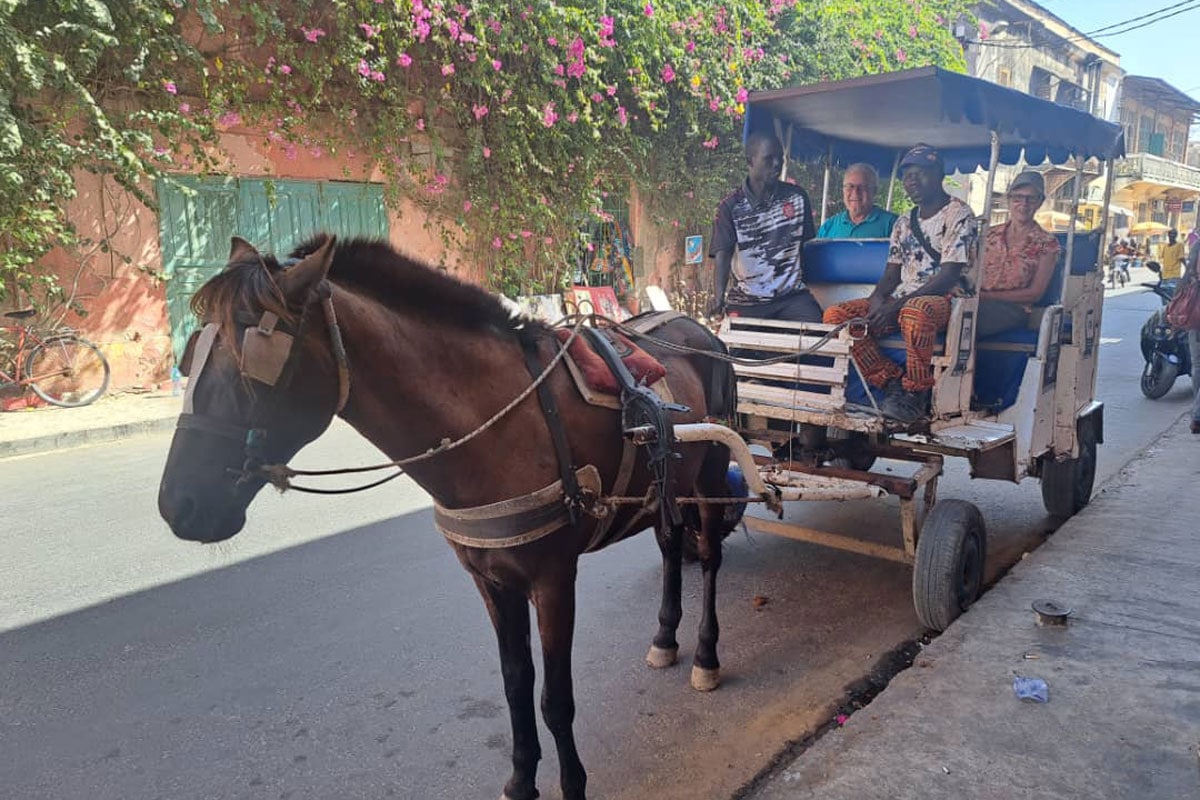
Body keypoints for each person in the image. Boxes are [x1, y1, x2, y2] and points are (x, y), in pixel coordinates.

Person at [823, 143, 977, 423]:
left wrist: (895, 307)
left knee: (914, 311)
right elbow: (892, 274)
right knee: (837, 317)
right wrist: (877, 302)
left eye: (920, 173)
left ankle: (916, 392)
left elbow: (948, 276)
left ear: (939, 174)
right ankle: (891, 382)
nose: (912, 181)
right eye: (907, 175)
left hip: (947, 300)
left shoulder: (959, 215)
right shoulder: (904, 222)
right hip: (903, 298)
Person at [708, 131, 823, 322]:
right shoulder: (730, 206)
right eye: (769, 159)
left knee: (817, 339)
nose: (777, 164)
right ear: (750, 161)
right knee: (736, 349)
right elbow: (723, 254)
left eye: (780, 158)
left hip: (791, 297)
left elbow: (804, 246)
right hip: (748, 299)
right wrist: (718, 297)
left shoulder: (797, 198)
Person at [977, 171, 1060, 337]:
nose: (1024, 204)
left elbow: (1035, 293)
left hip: (1013, 310)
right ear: (1009, 200)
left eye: (1031, 198)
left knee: (967, 320)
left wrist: (986, 296)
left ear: (1040, 202)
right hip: (976, 302)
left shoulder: (1047, 243)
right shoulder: (988, 235)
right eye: (1017, 198)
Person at [816, 163, 898, 239]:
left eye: (862, 187)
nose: (855, 192)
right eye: (850, 186)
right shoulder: (828, 227)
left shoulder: (893, 225)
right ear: (843, 190)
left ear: (874, 191)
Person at [1186, 243, 1200, 435]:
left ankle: (1197, 415)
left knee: (1197, 366)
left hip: (1196, 314)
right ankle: (1197, 415)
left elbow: (1188, 272)